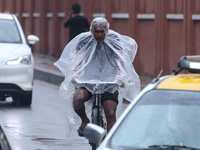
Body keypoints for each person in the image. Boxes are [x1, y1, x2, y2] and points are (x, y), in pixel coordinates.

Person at [55, 17, 140, 136]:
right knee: (77, 99)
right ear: (91, 31)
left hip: (110, 83)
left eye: (102, 32)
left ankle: (109, 144)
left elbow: (120, 60)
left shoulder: (114, 40)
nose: (99, 35)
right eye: (96, 31)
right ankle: (85, 121)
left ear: (106, 31)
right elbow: (78, 60)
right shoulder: (85, 40)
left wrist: (119, 76)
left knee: (110, 113)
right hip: (87, 81)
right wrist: (76, 74)